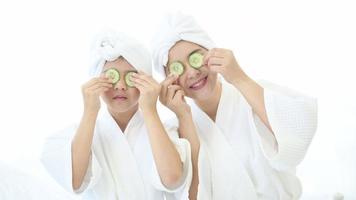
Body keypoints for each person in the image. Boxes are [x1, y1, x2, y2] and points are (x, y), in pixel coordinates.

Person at [151, 13, 318, 200]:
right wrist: (184, 117)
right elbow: (193, 194)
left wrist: (239, 77)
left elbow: (298, 135)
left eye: (195, 58)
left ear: (212, 52)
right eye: (177, 68)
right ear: (169, 81)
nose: (192, 72)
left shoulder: (253, 95)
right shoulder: (176, 131)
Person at [41, 30, 192, 200]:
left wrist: (150, 110)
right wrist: (90, 111)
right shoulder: (82, 135)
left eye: (131, 77)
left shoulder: (163, 131)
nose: (120, 85)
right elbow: (75, 181)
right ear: (97, 80)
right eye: (111, 77)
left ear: (145, 82)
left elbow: (173, 180)